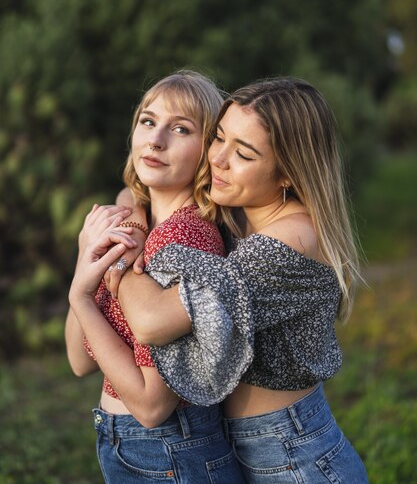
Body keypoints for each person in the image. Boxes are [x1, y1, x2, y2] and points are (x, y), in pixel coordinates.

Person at [106, 76, 369, 483]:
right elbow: (133, 191)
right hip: (244, 449)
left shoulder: (289, 241)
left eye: (243, 153)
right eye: (219, 138)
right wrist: (136, 216)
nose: (218, 160)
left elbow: (152, 322)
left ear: (288, 174)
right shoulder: (242, 209)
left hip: (293, 457)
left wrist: (119, 259)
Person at [65, 70, 245, 484]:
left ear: (208, 152)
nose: (156, 139)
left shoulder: (185, 238)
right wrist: (87, 260)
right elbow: (79, 361)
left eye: (180, 129)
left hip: (170, 449)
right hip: (129, 442)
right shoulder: (142, 227)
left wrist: (80, 296)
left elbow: (151, 405)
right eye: (148, 121)